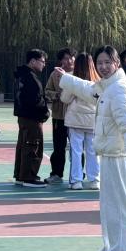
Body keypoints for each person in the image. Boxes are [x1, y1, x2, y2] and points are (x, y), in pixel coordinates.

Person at [55, 47, 126, 251]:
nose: (103, 67)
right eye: (99, 63)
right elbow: (89, 90)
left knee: (119, 206)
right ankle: (111, 249)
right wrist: (66, 78)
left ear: (117, 63)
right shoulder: (107, 86)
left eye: (107, 62)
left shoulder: (119, 89)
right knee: (109, 206)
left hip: (120, 156)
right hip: (110, 154)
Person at [60, 53, 99, 190]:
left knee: (76, 152)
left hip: (75, 119)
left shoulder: (71, 79)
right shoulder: (98, 80)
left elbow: (65, 98)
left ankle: (76, 181)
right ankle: (94, 179)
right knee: (93, 151)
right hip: (93, 120)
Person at [13, 49, 49, 188]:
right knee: (33, 145)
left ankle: (20, 175)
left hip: (23, 116)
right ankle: (29, 177)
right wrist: (45, 112)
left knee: (23, 145)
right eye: (42, 61)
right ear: (33, 61)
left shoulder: (21, 75)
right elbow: (36, 100)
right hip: (32, 118)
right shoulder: (31, 78)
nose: (44, 64)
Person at [43, 48, 75, 184]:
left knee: (77, 148)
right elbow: (47, 91)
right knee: (58, 147)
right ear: (61, 60)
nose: (69, 60)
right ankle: (56, 174)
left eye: (71, 57)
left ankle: (77, 174)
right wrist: (57, 95)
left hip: (76, 118)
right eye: (66, 58)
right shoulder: (55, 74)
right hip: (59, 117)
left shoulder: (80, 73)